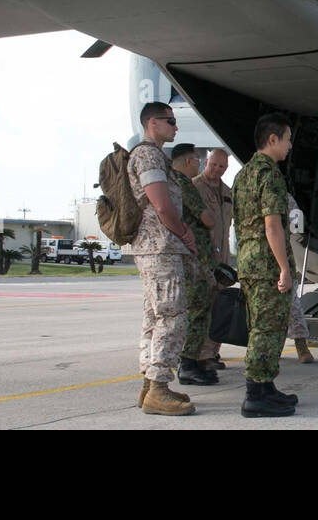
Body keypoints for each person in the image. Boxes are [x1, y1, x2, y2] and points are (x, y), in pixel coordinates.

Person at [128, 102, 198, 415]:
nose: (175, 127)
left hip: (156, 247)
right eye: (170, 121)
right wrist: (183, 232)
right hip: (160, 247)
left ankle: (149, 386)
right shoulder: (147, 154)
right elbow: (160, 203)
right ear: (152, 123)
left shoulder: (152, 155)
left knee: (154, 317)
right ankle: (158, 387)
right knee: (172, 316)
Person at [231, 113, 300, 417]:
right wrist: (284, 267)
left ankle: (265, 386)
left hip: (248, 261)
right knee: (267, 329)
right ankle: (255, 395)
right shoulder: (269, 174)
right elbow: (272, 224)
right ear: (272, 139)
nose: (289, 146)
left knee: (262, 325)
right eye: (287, 140)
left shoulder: (243, 174)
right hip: (267, 264)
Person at [170, 143, 219, 386]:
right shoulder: (184, 184)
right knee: (198, 310)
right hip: (195, 259)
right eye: (198, 161)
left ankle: (191, 361)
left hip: (183, 257)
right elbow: (206, 219)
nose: (199, 165)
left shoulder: (168, 182)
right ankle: (189, 363)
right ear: (189, 161)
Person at [193, 148, 233, 369]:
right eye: (214, 165)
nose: (217, 170)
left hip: (223, 257)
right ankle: (198, 354)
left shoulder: (227, 191)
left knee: (219, 305)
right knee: (201, 305)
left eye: (222, 167)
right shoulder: (194, 187)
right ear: (206, 162)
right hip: (202, 256)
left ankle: (211, 352)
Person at [285, 193, 316, 363]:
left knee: (292, 304)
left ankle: (301, 345)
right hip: (255, 259)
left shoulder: (282, 195)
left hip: (279, 255)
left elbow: (297, 223)